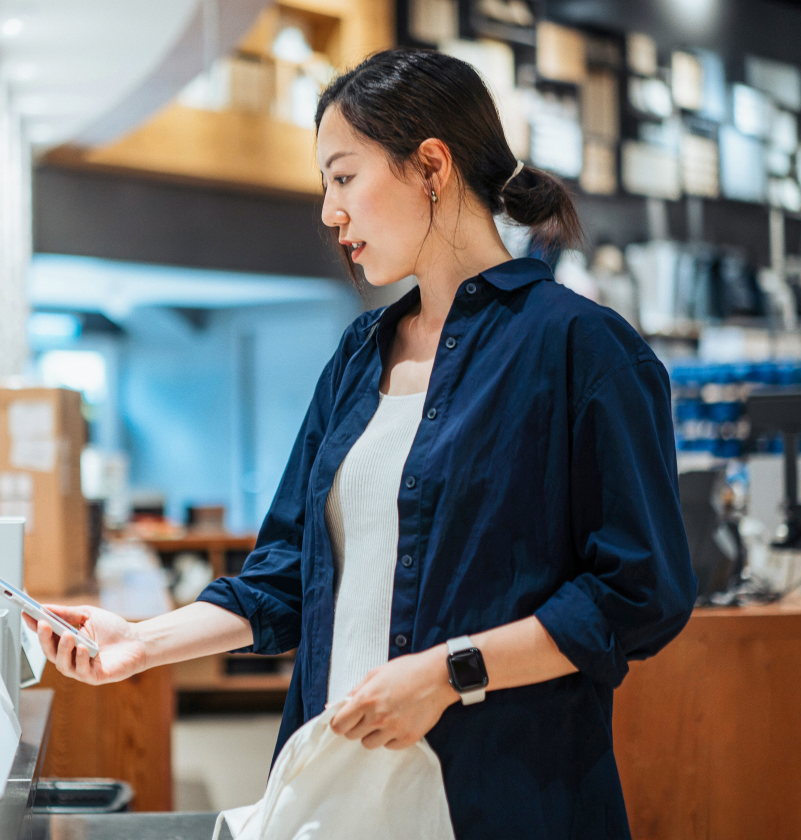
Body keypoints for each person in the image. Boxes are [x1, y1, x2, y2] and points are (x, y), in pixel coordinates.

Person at [28, 49, 697, 839]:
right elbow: (287, 575)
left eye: (343, 177)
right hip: (332, 800)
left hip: (501, 802)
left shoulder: (584, 350)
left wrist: (452, 674)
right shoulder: (358, 355)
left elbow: (639, 594)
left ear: (431, 167)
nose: (327, 212)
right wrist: (138, 642)